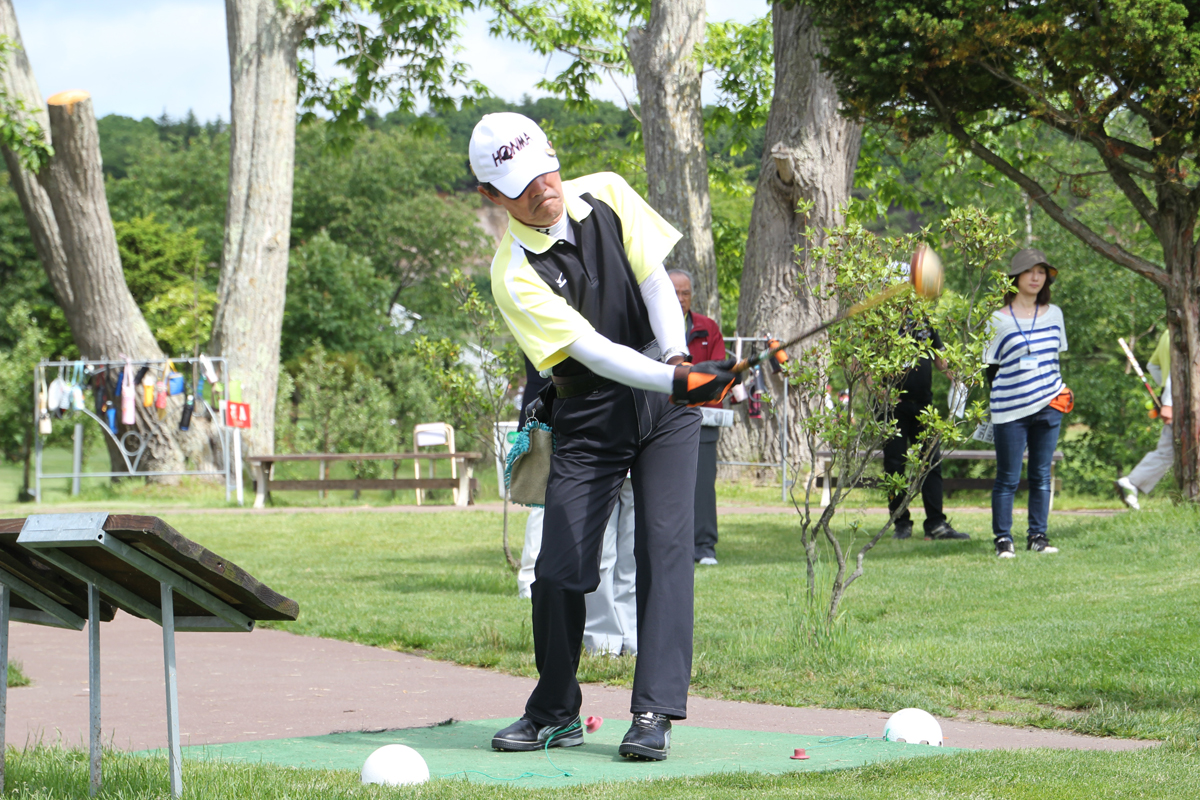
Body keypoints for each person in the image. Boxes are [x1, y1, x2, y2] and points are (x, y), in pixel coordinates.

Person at [471, 112, 737, 761]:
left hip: (663, 401)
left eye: (545, 170)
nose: (542, 188)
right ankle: (555, 710)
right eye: (521, 184)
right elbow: (592, 350)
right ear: (492, 195)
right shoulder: (513, 273)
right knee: (558, 569)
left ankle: (653, 713)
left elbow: (653, 280)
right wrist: (677, 380)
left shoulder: (609, 193)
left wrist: (677, 358)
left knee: (665, 548)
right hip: (588, 411)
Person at [984, 248, 1070, 558]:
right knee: (1008, 477)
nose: (1036, 277)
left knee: (1041, 475)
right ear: (1015, 277)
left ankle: (1038, 537)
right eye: (1029, 271)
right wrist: (1008, 396)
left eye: (1041, 272)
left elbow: (1054, 359)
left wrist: (1058, 392)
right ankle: (1003, 539)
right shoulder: (996, 319)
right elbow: (990, 369)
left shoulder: (1055, 314)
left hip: (1050, 405)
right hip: (1010, 408)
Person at [884, 311, 970, 541]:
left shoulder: (924, 319)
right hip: (892, 407)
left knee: (931, 461)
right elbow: (860, 363)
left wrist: (957, 373)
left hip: (924, 404)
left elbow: (940, 358)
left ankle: (936, 524)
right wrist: (880, 391)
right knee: (894, 465)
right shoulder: (883, 317)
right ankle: (901, 523)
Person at [667, 269, 727, 565]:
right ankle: (669, 545)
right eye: (674, 293)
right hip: (663, 418)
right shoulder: (650, 325)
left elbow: (718, 372)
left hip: (702, 417)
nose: (680, 299)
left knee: (702, 484)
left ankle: (704, 547)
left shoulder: (707, 328)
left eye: (686, 293)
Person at [1117, 329, 1174, 509]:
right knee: (1169, 451)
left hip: (1174, 398)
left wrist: (1164, 390)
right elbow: (1176, 370)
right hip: (1181, 401)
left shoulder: (1167, 333)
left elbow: (1152, 366)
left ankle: (1132, 482)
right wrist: (1169, 401)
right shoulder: (1188, 330)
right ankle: (1132, 482)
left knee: (1168, 451)